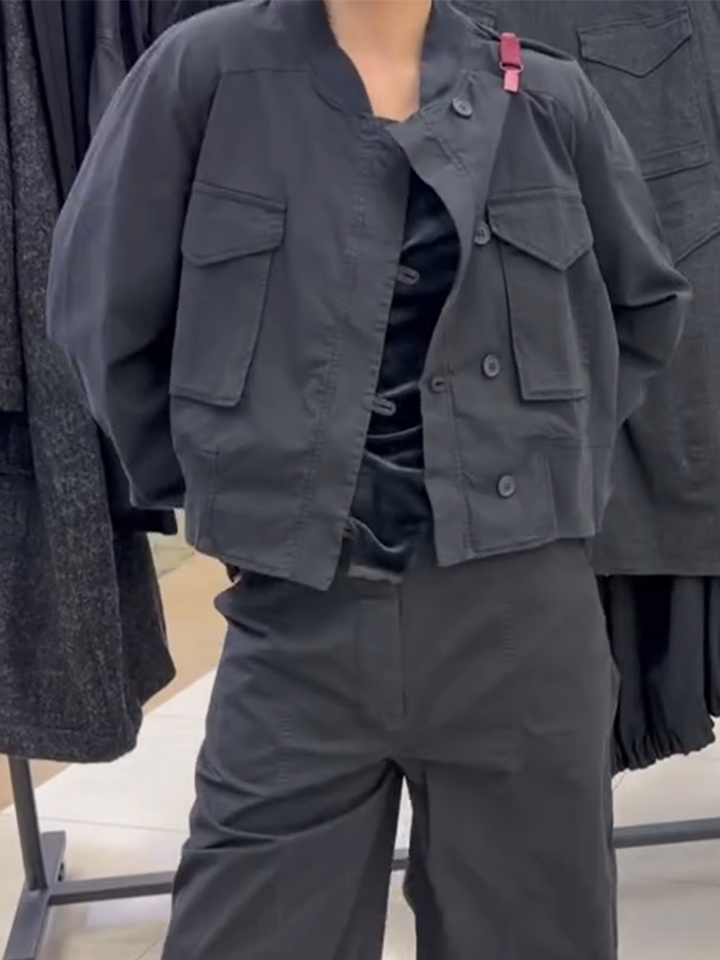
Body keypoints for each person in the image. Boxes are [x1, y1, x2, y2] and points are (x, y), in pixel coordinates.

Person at [46, 1, 690, 957]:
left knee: (535, 932)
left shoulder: (547, 96)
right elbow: (102, 313)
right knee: (249, 929)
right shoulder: (204, 76)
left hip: (525, 625)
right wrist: (249, 492)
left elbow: (644, 309)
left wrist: (535, 470)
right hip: (298, 620)